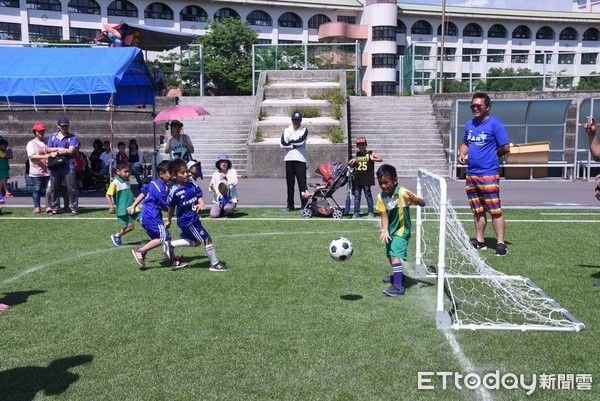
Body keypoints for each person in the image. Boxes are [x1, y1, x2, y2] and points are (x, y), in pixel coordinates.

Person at [457, 92, 510, 257]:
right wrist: (461, 152)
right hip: (471, 173)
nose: (475, 108)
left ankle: (500, 243)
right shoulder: (469, 124)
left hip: (488, 173)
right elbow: (466, 142)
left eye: (479, 106)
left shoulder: (495, 124)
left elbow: (505, 147)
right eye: (473, 106)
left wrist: (493, 155)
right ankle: (480, 241)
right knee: (477, 209)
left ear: (487, 107)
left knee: (495, 210)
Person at [166, 158, 229, 271]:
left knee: (195, 242)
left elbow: (199, 194)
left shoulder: (191, 183)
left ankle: (170, 244)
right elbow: (171, 207)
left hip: (193, 218)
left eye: (186, 171)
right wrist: (169, 220)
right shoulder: (174, 190)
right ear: (174, 176)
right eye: (182, 173)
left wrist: (201, 203)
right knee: (207, 238)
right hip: (187, 220)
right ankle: (214, 264)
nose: (186, 174)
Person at [376, 164, 426, 297]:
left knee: (394, 254)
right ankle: (399, 276)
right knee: (390, 255)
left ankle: (398, 286)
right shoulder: (381, 197)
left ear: (395, 180)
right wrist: (385, 229)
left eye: (386, 182)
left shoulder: (403, 193)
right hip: (391, 231)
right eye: (380, 183)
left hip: (402, 230)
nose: (383, 186)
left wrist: (416, 199)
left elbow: (423, 203)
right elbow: (384, 214)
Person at [130, 160, 186, 269]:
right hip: (152, 217)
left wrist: (133, 205)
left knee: (166, 237)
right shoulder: (161, 189)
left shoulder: (152, 183)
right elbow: (168, 206)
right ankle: (140, 251)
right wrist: (178, 209)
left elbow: (143, 193)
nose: (172, 176)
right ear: (161, 174)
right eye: (170, 173)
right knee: (164, 236)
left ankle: (173, 260)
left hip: (146, 216)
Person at [47, 116, 79, 215]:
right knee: (54, 188)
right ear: (58, 126)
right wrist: (60, 150)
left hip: (68, 166)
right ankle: (55, 207)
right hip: (55, 165)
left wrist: (58, 150)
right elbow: (48, 149)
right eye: (63, 126)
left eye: (66, 126)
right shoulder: (52, 136)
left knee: (71, 188)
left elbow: (70, 150)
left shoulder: (72, 137)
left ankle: (73, 207)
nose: (65, 127)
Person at [26, 122, 62, 213]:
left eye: (43, 131)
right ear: (35, 132)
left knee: (49, 190)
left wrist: (59, 149)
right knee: (37, 189)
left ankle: (48, 206)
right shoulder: (31, 143)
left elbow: (49, 149)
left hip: (47, 170)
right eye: (40, 131)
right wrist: (47, 156)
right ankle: (37, 206)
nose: (42, 133)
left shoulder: (46, 142)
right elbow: (32, 156)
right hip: (36, 171)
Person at [105, 161, 142, 247]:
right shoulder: (115, 183)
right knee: (130, 226)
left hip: (132, 207)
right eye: (125, 172)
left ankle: (153, 237)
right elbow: (107, 195)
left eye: (129, 172)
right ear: (118, 171)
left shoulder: (127, 180)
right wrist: (111, 206)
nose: (128, 174)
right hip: (123, 209)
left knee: (143, 221)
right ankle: (117, 235)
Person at [280, 111, 308, 212]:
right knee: (290, 184)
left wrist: (290, 143)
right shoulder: (286, 130)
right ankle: (290, 205)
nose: (296, 122)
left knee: (302, 184)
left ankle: (304, 204)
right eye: (294, 120)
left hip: (300, 160)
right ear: (292, 120)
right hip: (288, 159)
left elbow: (301, 141)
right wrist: (293, 144)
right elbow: (282, 144)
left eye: (298, 120)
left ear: (300, 120)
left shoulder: (304, 130)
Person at [349, 136, 383, 219]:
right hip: (358, 178)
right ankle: (356, 212)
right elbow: (357, 161)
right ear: (357, 146)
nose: (361, 146)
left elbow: (381, 159)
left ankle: (371, 212)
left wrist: (373, 159)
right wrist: (353, 161)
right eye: (359, 145)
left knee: (368, 196)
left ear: (366, 145)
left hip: (366, 178)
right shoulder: (357, 154)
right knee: (357, 197)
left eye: (363, 145)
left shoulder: (370, 153)